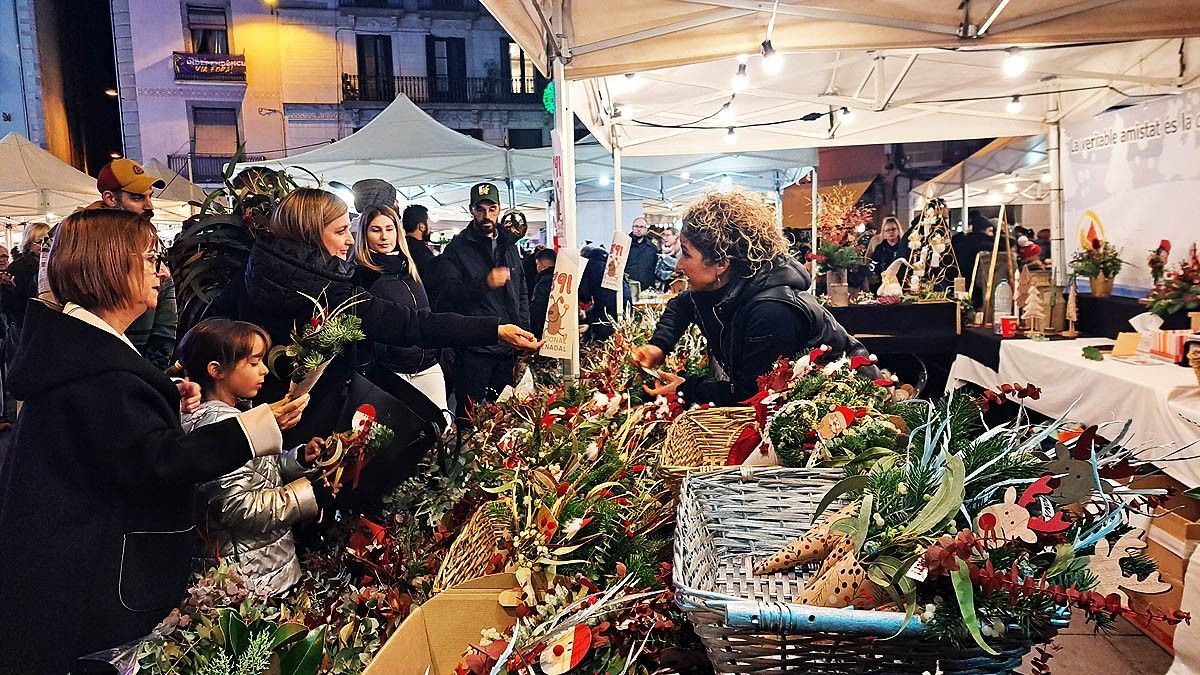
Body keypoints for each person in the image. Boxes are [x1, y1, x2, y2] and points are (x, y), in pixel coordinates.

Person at [0, 210, 306, 673]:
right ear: (109, 267)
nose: (161, 272)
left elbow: (116, 440)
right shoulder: (96, 367)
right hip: (95, 577)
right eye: (148, 260)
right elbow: (156, 460)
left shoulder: (86, 349)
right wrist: (260, 425)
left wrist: (163, 399)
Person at [228, 188, 538, 444]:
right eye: (340, 232)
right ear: (309, 235)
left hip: (273, 426)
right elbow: (411, 323)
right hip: (300, 428)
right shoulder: (330, 293)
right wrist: (494, 329)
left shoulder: (254, 275)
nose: (350, 240)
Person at [632, 191, 877, 407]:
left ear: (720, 264)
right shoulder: (724, 285)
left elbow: (751, 393)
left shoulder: (771, 310)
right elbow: (682, 305)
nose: (679, 264)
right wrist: (659, 345)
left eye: (686, 254)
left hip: (848, 409)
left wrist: (686, 389)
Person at [176, 318, 324, 595]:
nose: (265, 370)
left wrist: (299, 459)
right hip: (250, 581)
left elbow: (259, 475)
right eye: (254, 362)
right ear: (216, 370)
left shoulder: (239, 415)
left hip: (264, 567)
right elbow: (238, 507)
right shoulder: (217, 427)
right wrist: (308, 496)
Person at [352, 204, 499, 415]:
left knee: (442, 425)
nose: (384, 236)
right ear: (364, 235)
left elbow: (425, 314)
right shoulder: (362, 276)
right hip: (392, 372)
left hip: (427, 366)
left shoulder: (408, 268)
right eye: (376, 230)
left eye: (389, 228)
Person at [429, 183, 533, 420]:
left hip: (508, 348)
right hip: (475, 349)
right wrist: (484, 282)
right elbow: (448, 295)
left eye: (492, 208)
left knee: (505, 416)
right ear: (471, 210)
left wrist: (524, 331)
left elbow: (521, 291)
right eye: (480, 208)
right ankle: (463, 456)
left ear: (499, 210)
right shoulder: (457, 248)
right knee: (469, 417)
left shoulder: (508, 244)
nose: (486, 215)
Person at [2, 221, 50, 332]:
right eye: (39, 241)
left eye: (48, 240)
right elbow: (11, 304)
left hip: (46, 322)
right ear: (29, 244)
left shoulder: (52, 263)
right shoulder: (17, 268)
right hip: (24, 325)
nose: (44, 244)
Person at [578, 246, 632, 342]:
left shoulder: (589, 265)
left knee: (599, 331)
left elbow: (584, 295)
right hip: (626, 305)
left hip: (606, 309)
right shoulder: (612, 263)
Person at [869, 216, 909, 289]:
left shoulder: (905, 247)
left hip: (903, 284)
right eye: (887, 230)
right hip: (884, 285)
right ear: (883, 232)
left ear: (898, 230)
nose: (891, 232)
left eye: (893, 229)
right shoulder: (879, 249)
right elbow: (873, 268)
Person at [402, 203, 436, 280]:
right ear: (422, 226)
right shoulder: (423, 253)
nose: (430, 227)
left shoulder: (401, 246)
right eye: (429, 223)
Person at [626, 217, 658, 291]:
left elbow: (655, 268)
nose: (638, 229)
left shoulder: (652, 248)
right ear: (632, 228)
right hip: (628, 287)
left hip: (647, 289)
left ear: (646, 230)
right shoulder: (625, 245)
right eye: (636, 226)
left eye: (641, 227)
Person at [530, 247, 556, 339]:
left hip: (544, 327)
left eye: (537, 264)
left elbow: (537, 307)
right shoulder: (561, 278)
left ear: (542, 264)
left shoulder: (543, 282)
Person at [656, 226, 681, 290]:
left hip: (679, 286)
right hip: (663, 287)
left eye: (668, 235)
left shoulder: (681, 251)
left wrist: (666, 258)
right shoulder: (661, 250)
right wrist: (670, 274)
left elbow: (680, 266)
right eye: (664, 235)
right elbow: (657, 271)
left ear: (675, 236)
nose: (664, 238)